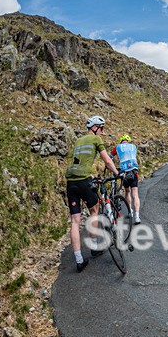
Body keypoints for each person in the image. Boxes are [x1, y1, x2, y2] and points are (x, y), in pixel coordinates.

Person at [65, 115, 120, 272]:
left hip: (71, 182)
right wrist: (116, 173)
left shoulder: (78, 140)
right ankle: (94, 246)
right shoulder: (96, 140)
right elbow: (107, 161)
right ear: (95, 127)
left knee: (75, 220)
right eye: (102, 128)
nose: (102, 132)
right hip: (83, 181)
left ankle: (79, 260)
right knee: (94, 210)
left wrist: (89, 174)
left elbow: (78, 161)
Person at [112, 134, 141, 224]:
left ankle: (130, 211)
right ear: (128, 141)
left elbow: (110, 156)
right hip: (134, 171)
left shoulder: (118, 147)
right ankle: (137, 216)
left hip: (124, 172)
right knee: (135, 194)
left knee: (127, 191)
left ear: (121, 141)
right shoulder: (133, 146)